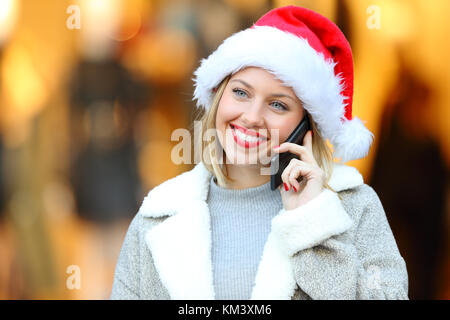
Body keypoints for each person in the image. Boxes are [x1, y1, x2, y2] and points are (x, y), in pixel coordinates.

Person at [110, 5, 408, 300]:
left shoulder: (354, 207)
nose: (252, 117)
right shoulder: (159, 215)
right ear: (218, 96)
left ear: (307, 126)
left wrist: (312, 223)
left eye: (278, 104)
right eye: (241, 92)